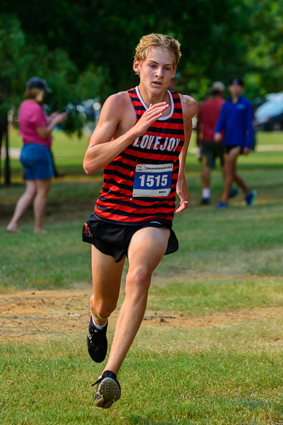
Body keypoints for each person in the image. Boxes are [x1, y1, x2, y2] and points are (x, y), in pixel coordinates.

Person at [82, 33, 198, 409]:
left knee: (140, 274)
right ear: (138, 66)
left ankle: (109, 375)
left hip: (153, 214)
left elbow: (181, 145)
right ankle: (97, 322)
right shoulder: (119, 104)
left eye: (167, 68)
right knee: (105, 301)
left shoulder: (185, 108)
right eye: (152, 65)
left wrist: (179, 181)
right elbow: (89, 162)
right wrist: (135, 130)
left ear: (174, 72)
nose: (159, 74)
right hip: (112, 213)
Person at [6, 77, 67, 233]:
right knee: (42, 192)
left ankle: (13, 224)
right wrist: (56, 121)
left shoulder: (25, 105)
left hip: (26, 151)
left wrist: (49, 119)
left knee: (31, 190)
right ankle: (38, 227)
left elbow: (34, 127)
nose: (45, 95)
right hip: (39, 152)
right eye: (44, 92)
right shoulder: (36, 108)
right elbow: (43, 134)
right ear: (38, 92)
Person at [214, 77, 257, 208]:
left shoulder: (246, 104)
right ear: (229, 88)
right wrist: (216, 131)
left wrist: (247, 145)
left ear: (242, 88)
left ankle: (224, 201)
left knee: (227, 169)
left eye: (238, 86)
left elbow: (250, 126)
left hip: (239, 142)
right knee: (231, 172)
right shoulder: (226, 105)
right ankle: (248, 193)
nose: (235, 88)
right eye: (233, 86)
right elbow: (221, 120)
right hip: (227, 142)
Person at [196, 81, 226, 204]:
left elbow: (199, 124)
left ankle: (206, 194)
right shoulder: (225, 104)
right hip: (222, 139)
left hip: (207, 139)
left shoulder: (204, 105)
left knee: (207, 166)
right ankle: (228, 191)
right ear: (222, 92)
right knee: (226, 166)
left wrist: (198, 138)